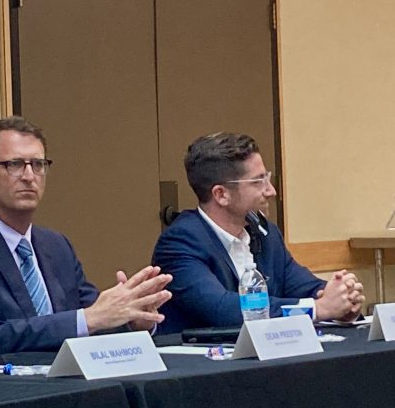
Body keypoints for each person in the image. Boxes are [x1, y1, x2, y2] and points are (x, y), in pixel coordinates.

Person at [0, 116, 172, 358]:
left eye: (38, 165)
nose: (29, 176)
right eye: (15, 165)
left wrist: (133, 319)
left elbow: (94, 319)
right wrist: (90, 318)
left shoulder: (56, 245)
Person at [152, 132, 364, 333]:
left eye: (267, 179)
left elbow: (303, 286)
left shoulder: (265, 232)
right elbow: (223, 309)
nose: (271, 191)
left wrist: (341, 297)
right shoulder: (180, 242)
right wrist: (319, 309)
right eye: (258, 181)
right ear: (221, 195)